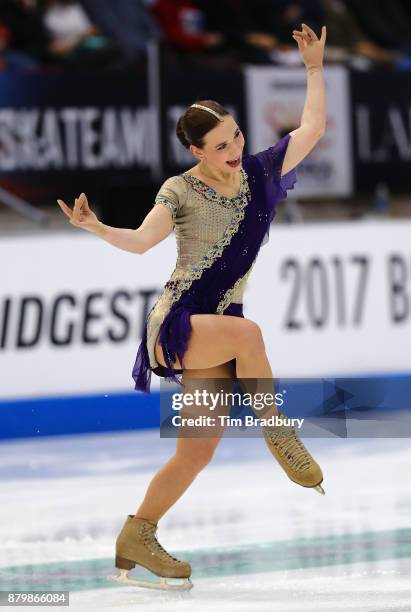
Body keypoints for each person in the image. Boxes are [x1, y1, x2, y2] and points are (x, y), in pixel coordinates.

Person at [58, 23, 327, 591]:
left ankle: (138, 533)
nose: (233, 151)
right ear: (195, 152)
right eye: (220, 146)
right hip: (176, 323)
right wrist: (96, 227)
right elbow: (139, 242)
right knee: (249, 336)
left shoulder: (258, 172)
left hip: (217, 327)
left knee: (196, 452)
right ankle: (277, 428)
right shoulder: (178, 191)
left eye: (235, 137)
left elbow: (314, 127)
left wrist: (312, 68)